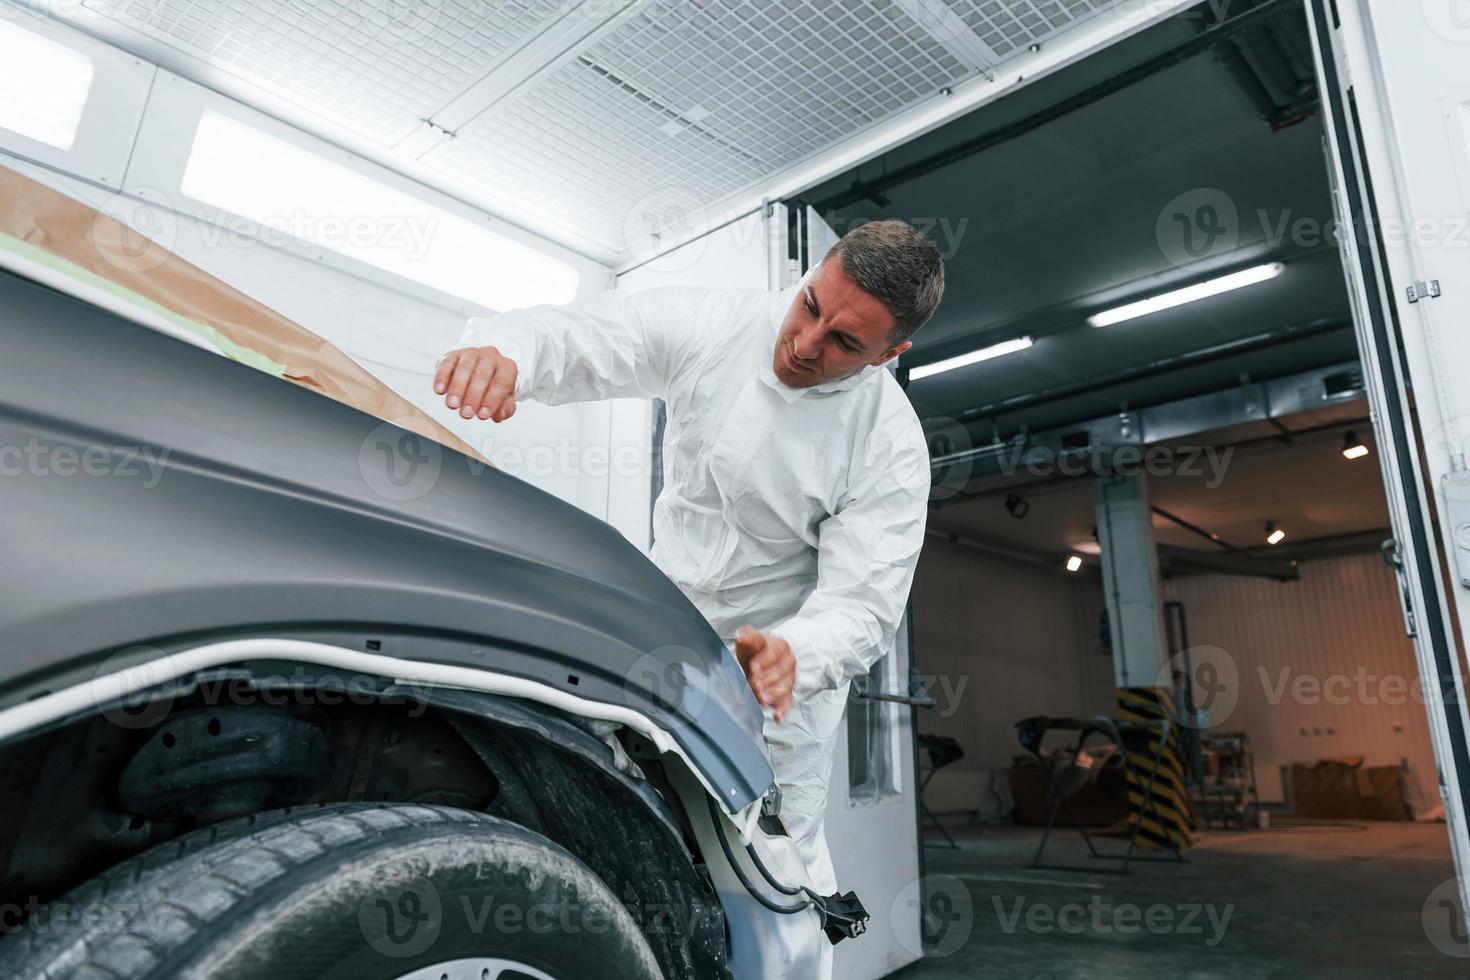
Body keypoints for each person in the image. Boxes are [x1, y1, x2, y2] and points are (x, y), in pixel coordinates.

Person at [433, 218, 942, 901]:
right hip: (660, 641)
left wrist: (798, 652)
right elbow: (584, 335)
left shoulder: (890, 445)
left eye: (845, 343)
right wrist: (504, 353)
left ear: (888, 353)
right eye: (810, 306)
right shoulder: (716, 324)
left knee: (767, 892)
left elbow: (862, 605)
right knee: (616, 841)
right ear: (815, 272)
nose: (803, 342)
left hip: (776, 693)